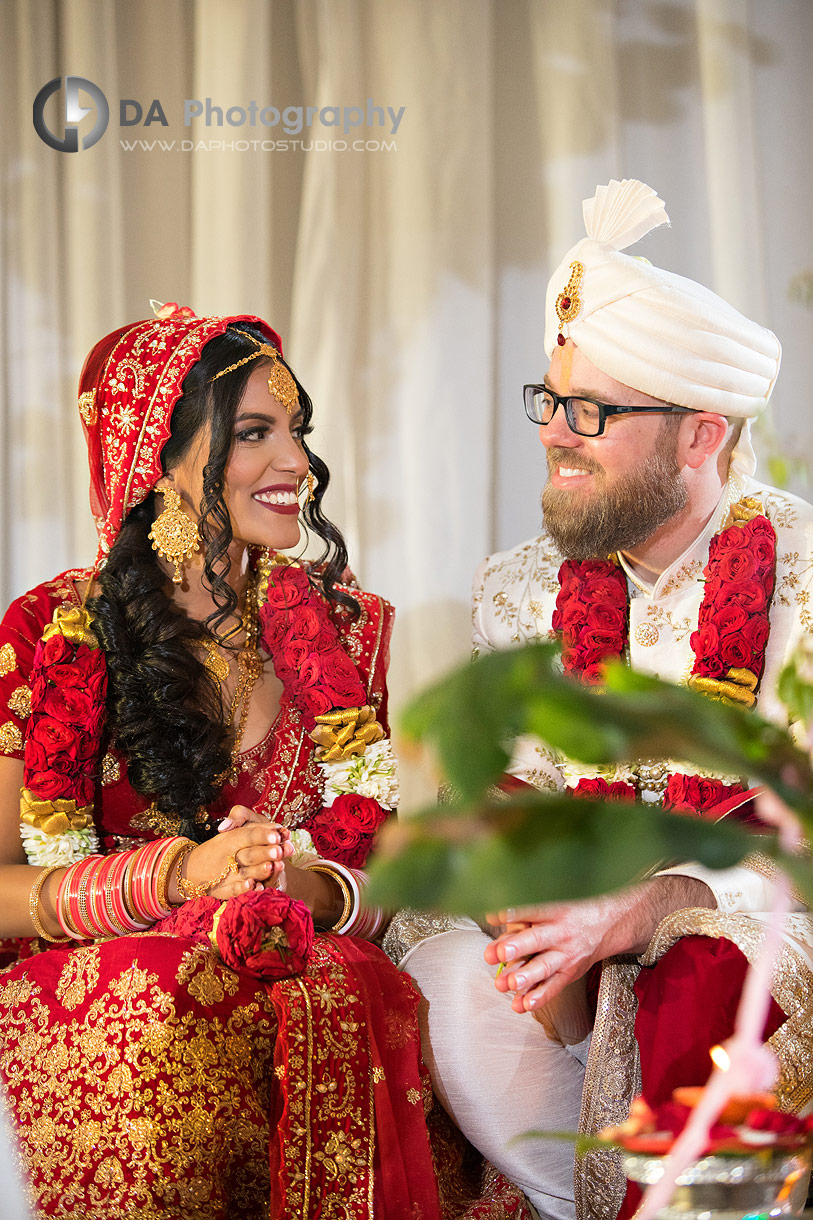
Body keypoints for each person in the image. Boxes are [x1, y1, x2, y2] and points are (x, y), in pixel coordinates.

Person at [387, 180, 813, 1220]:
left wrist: (645, 903)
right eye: (551, 400)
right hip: (574, 979)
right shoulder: (518, 586)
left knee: (705, 956)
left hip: (760, 923)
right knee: (446, 963)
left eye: (593, 413)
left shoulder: (802, 579)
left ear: (701, 437)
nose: (555, 436)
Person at [0, 307, 445, 1219]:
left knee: (337, 987)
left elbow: (383, 856)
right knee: (167, 996)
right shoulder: (49, 633)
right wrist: (176, 877)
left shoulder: (348, 632)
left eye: (295, 432)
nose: (296, 463)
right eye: (253, 434)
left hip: (293, 963)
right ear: (153, 460)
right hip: (103, 989)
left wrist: (306, 889)